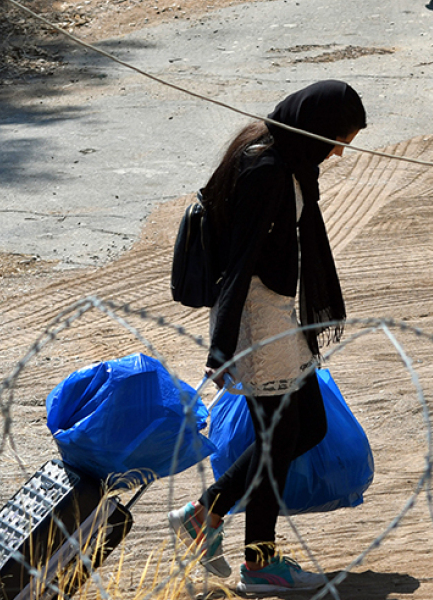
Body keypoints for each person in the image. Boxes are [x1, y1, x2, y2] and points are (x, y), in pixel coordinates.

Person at [167, 80, 366, 593]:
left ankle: (206, 514)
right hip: (260, 318)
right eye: (337, 140)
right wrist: (222, 346)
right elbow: (239, 263)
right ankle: (259, 563)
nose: (339, 153)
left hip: (279, 313)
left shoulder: (288, 158)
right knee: (279, 440)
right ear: (315, 128)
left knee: (307, 426)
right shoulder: (268, 170)